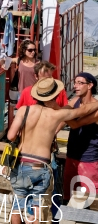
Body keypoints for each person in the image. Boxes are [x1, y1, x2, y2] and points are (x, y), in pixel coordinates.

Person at [7, 77, 98, 224]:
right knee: (38, 206)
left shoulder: (25, 110)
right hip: (40, 165)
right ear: (54, 96)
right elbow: (83, 110)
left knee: (17, 204)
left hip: (21, 163)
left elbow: (11, 136)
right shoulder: (57, 115)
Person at [63, 72, 98, 203]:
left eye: (80, 83)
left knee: (88, 200)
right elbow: (63, 116)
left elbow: (75, 125)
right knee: (68, 197)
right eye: (75, 82)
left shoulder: (96, 108)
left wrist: (56, 109)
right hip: (71, 156)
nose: (75, 86)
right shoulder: (76, 100)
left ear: (90, 85)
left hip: (88, 159)